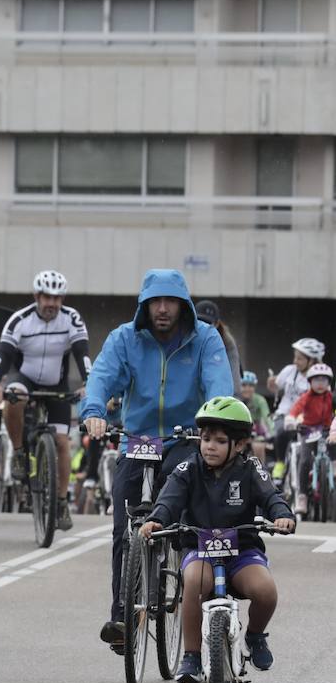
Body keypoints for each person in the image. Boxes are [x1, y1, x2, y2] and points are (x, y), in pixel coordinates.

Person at [81, 268, 233, 649]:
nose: (162, 309)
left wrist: (216, 423)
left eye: (170, 302)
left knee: (187, 521)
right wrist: (95, 411)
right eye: (155, 302)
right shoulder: (124, 339)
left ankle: (191, 595)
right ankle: (122, 615)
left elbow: (220, 386)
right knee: (124, 525)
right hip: (136, 440)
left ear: (183, 306)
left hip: (185, 439)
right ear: (144, 306)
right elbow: (101, 376)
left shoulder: (205, 340)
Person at [138, 397, 295, 683]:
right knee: (196, 583)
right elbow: (169, 497)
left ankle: (255, 637)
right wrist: (157, 518)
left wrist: (282, 515)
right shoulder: (188, 468)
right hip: (199, 547)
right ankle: (192, 657)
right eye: (206, 438)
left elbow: (271, 497)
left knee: (266, 591)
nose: (209, 445)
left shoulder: (250, 468)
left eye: (220, 441)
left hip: (242, 550)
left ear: (239, 445)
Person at [0, 270, 91, 532]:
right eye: (46, 297)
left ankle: (62, 501)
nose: (51, 304)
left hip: (57, 383)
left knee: (62, 442)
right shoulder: (20, 320)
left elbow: (83, 356)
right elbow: (3, 356)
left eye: (57, 298)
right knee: (14, 397)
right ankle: (20, 452)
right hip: (26, 378)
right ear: (36, 296)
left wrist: (90, 383)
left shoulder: (72, 319)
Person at [268, 337, 324, 482]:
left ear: (311, 360)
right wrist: (271, 383)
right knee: (280, 431)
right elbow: (275, 387)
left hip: (308, 418)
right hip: (285, 414)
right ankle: (280, 462)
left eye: (299, 359)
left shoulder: (320, 376)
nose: (295, 361)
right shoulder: (289, 371)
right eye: (295, 357)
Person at [283, 362, 334, 516]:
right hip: (308, 431)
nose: (320, 384)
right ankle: (302, 496)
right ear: (310, 382)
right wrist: (291, 419)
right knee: (304, 460)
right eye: (316, 380)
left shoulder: (331, 397)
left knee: (334, 450)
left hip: (328, 431)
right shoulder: (306, 397)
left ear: (329, 383)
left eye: (323, 380)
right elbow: (296, 409)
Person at [193, 299, 242, 396]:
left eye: (208, 323)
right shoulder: (184, 337)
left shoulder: (227, 342)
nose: (204, 326)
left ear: (217, 324)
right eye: (200, 321)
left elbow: (234, 374)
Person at [238, 371, 272, 464]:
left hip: (256, 429)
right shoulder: (236, 399)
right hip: (240, 428)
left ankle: (260, 469)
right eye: (244, 385)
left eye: (251, 386)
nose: (247, 389)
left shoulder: (260, 400)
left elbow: (267, 416)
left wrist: (272, 432)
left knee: (258, 447)